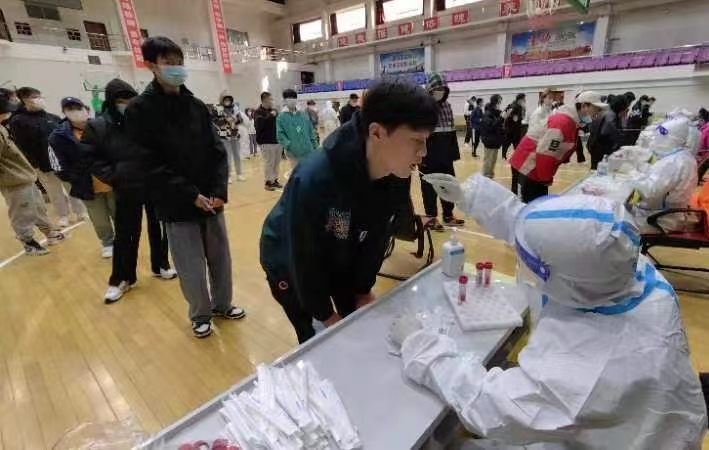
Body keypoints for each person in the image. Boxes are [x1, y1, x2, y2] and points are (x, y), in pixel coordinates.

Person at [394, 172, 708, 449]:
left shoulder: (584, 372)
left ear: (562, 279)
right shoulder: (621, 267)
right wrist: (471, 196)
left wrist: (422, 347)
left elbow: (491, 408)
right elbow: (547, 233)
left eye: (532, 264)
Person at [260, 79, 438, 343]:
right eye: (416, 141)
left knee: (355, 321)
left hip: (342, 251)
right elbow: (304, 255)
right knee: (319, 341)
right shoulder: (315, 179)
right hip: (288, 262)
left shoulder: (397, 174)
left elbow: (377, 237)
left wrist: (362, 289)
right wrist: (325, 315)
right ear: (377, 133)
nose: (423, 153)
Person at [125, 36, 246, 338]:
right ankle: (200, 314)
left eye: (179, 62)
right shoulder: (140, 110)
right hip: (177, 203)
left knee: (220, 258)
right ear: (151, 66)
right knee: (190, 265)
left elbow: (217, 150)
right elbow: (147, 163)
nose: (177, 68)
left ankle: (223, 304)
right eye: (169, 63)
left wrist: (218, 191)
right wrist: (190, 194)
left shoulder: (196, 106)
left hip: (211, 200)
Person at [82, 78, 176, 304]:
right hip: (125, 188)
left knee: (159, 228)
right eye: (121, 100)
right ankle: (121, 278)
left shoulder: (145, 121)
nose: (126, 103)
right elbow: (89, 157)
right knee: (126, 234)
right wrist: (114, 176)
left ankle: (161, 265)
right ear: (111, 102)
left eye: (130, 98)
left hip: (153, 183)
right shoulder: (98, 126)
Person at [510, 91, 608, 203]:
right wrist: (545, 178)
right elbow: (545, 153)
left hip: (536, 167)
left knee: (538, 202)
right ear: (584, 106)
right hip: (528, 166)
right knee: (530, 205)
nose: (597, 113)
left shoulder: (571, 122)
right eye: (596, 109)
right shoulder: (563, 122)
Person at [0, 89, 65, 256]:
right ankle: (28, 241)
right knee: (22, 212)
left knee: (38, 207)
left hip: (25, 176)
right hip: (13, 180)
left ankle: (49, 232)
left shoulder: (3, 128)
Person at [49, 97, 115, 258]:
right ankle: (107, 243)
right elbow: (57, 165)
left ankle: (125, 240)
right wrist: (75, 178)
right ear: (64, 113)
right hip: (86, 185)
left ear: (87, 109)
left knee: (120, 214)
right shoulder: (58, 136)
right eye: (70, 109)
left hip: (113, 180)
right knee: (99, 218)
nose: (75, 112)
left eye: (78, 108)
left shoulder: (104, 126)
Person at [10, 86, 86, 227]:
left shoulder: (52, 118)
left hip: (63, 161)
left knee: (71, 187)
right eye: (34, 97)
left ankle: (80, 212)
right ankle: (63, 215)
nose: (39, 99)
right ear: (24, 100)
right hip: (43, 163)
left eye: (39, 96)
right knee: (54, 191)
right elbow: (22, 145)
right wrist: (34, 164)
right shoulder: (18, 121)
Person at [631, 117, 698, 233]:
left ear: (671, 139)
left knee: (614, 224)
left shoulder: (674, 162)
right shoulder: (679, 156)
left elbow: (650, 192)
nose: (655, 141)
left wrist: (632, 179)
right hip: (663, 212)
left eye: (659, 138)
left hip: (660, 218)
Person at [418, 73, 464, 231]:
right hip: (428, 156)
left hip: (445, 155)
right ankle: (431, 218)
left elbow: (451, 131)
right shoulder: (422, 107)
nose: (440, 92)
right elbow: (417, 134)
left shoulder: (447, 107)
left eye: (442, 89)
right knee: (429, 189)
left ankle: (448, 215)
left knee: (448, 186)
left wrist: (453, 155)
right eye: (436, 89)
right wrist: (419, 156)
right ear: (430, 89)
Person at [276, 89, 317, 169]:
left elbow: (310, 131)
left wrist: (314, 145)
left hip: (308, 150)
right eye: (289, 98)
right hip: (293, 153)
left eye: (294, 98)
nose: (292, 100)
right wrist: (289, 145)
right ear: (284, 100)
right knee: (298, 171)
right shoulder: (281, 117)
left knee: (310, 171)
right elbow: (280, 135)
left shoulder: (303, 114)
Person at [588, 95, 628, 170]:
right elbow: (606, 131)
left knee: (595, 168)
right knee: (598, 169)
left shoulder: (607, 112)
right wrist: (621, 140)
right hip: (600, 148)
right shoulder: (611, 115)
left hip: (595, 145)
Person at [213, 92, 245, 182]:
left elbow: (241, 120)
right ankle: (228, 176)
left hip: (235, 134)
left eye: (229, 99)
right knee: (227, 157)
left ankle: (239, 174)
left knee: (237, 155)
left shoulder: (235, 108)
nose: (227, 101)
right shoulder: (217, 108)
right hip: (224, 136)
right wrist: (226, 120)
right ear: (222, 99)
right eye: (225, 99)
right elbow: (215, 122)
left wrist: (236, 120)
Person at [254, 91, 283, 191]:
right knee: (269, 162)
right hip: (266, 141)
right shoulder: (258, 112)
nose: (272, 101)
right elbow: (260, 124)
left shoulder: (274, 111)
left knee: (276, 162)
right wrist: (271, 115)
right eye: (270, 99)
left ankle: (274, 180)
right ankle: (268, 182)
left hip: (277, 140)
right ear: (265, 100)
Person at [480, 94, 505, 179]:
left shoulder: (496, 113)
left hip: (495, 141)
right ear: (495, 102)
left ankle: (490, 176)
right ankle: (486, 177)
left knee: (493, 161)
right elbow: (490, 127)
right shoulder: (487, 113)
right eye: (499, 102)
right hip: (489, 141)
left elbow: (498, 125)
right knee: (488, 161)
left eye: (500, 102)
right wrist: (501, 118)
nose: (499, 104)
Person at [501, 93, 526, 160]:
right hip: (510, 129)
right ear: (520, 99)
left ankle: (516, 157)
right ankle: (503, 155)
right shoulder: (513, 106)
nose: (524, 100)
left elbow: (521, 117)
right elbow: (506, 114)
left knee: (516, 144)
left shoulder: (520, 106)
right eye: (523, 99)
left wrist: (523, 110)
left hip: (516, 128)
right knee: (507, 143)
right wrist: (512, 116)